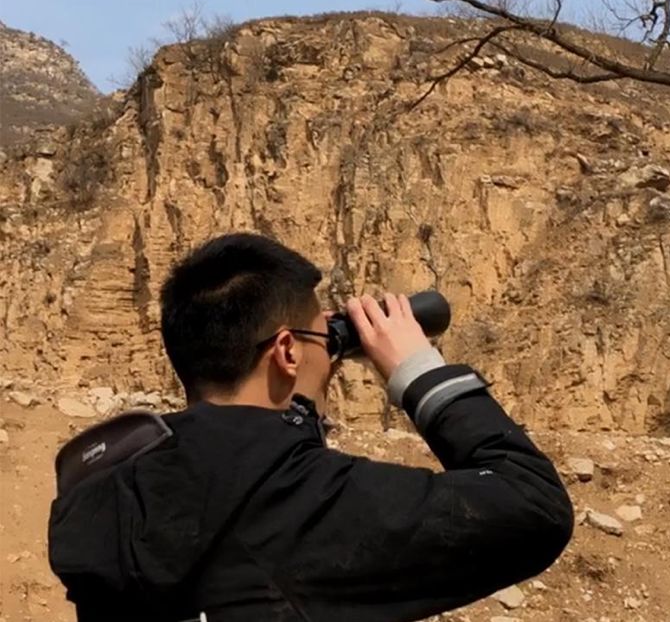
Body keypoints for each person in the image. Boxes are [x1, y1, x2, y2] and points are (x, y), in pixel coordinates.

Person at [49, 233, 574, 622]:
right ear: (285, 351)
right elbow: (534, 508)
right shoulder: (299, 499)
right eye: (326, 340)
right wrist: (419, 369)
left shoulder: (111, 492)